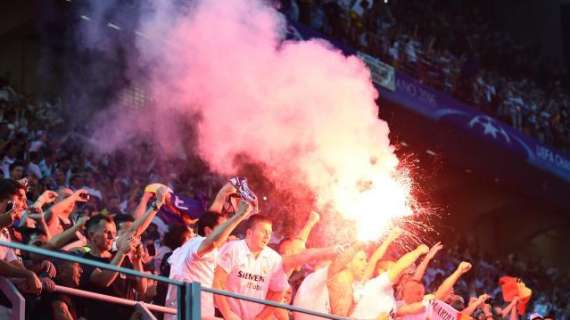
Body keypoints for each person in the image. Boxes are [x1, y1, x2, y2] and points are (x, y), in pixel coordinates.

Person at [164, 200, 253, 320]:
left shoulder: (184, 249)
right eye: (223, 228)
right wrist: (238, 216)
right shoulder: (196, 243)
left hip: (187, 313)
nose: (227, 232)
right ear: (208, 231)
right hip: (190, 315)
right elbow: (213, 241)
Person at [214, 215, 289, 320]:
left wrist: (261, 318)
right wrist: (227, 313)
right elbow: (217, 282)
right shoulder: (233, 248)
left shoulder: (274, 259)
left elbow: (280, 291)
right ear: (249, 232)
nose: (267, 236)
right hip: (224, 316)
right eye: (263, 231)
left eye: (269, 232)